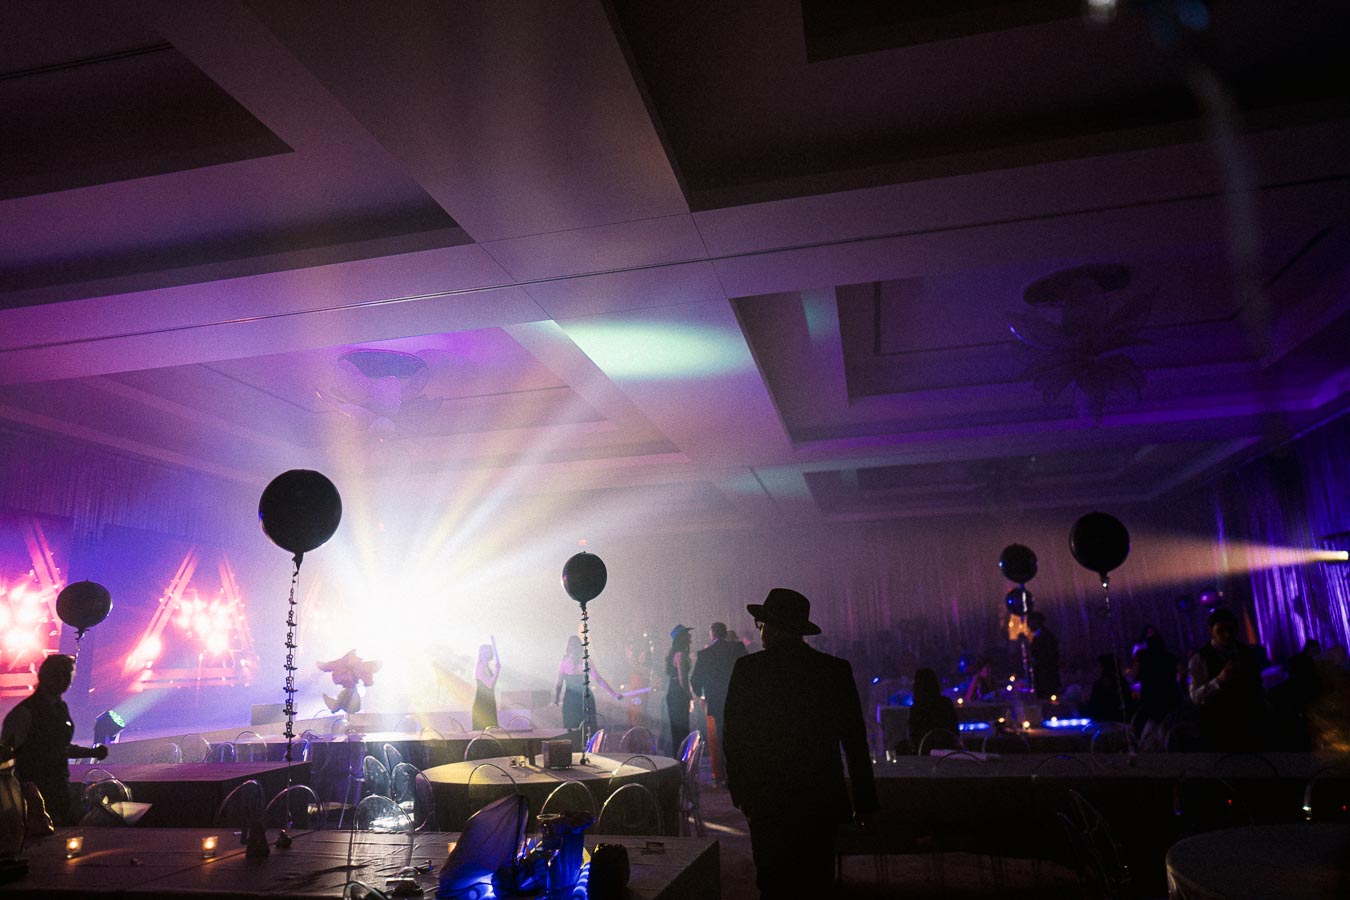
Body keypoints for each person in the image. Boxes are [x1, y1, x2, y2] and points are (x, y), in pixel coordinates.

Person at [723, 588, 879, 898]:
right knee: (816, 880)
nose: (760, 630)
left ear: (772, 626)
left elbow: (734, 737)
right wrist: (864, 800)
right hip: (819, 797)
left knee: (772, 881)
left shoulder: (748, 670)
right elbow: (855, 740)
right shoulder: (834, 670)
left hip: (767, 798)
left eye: (761, 623)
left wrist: (740, 791)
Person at [0, 654, 108, 825]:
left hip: (58, 787)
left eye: (66, 674)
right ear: (44, 675)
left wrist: (91, 752)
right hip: (33, 791)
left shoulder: (59, 707)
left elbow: (59, 747)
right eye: (57, 674)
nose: (62, 679)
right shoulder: (25, 712)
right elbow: (7, 756)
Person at [1187, 608, 1267, 751]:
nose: (1227, 635)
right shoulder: (1200, 659)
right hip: (1218, 729)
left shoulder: (1247, 653)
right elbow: (1195, 697)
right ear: (1210, 631)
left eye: (1230, 629)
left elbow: (1258, 686)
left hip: (1249, 725)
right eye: (1220, 631)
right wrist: (1218, 681)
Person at [689, 621, 746, 787]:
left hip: (716, 701)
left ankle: (722, 775)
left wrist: (701, 695)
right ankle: (737, 772)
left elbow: (695, 679)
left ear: (712, 634)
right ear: (725, 632)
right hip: (737, 699)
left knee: (720, 737)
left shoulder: (706, 654)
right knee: (737, 735)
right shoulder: (737, 648)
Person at [553, 634, 619, 733]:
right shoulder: (576, 661)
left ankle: (579, 747)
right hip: (578, 699)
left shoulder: (573, 661)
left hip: (578, 699)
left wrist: (557, 698)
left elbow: (559, 683)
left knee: (576, 731)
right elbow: (598, 679)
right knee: (581, 730)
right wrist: (613, 693)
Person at [909, 667, 959, 754]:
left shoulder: (916, 708)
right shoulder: (946, 703)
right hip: (948, 753)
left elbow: (914, 737)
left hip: (924, 755)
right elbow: (955, 731)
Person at [665, 625, 693, 757]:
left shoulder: (679, 654)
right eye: (687, 634)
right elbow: (683, 680)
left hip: (674, 692)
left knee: (679, 729)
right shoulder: (680, 655)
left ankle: (680, 759)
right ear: (681, 638)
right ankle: (681, 760)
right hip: (678, 694)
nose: (690, 636)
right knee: (681, 729)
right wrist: (690, 696)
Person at [1027, 612, 1062, 700]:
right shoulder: (1038, 637)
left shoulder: (1046, 637)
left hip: (1047, 678)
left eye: (1030, 621)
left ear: (1037, 622)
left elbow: (1050, 657)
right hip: (1042, 678)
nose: (1028, 624)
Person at [471, 640, 500, 731]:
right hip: (483, 706)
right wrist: (497, 670)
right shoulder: (480, 667)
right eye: (490, 652)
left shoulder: (485, 667)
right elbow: (490, 685)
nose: (492, 654)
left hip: (488, 703)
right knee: (484, 733)